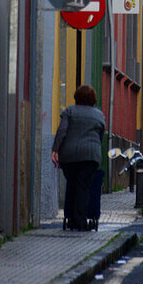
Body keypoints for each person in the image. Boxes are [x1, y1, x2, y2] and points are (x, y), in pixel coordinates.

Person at [52, 85, 106, 231]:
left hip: (69, 156)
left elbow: (62, 131)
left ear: (77, 97)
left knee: (72, 184)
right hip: (90, 156)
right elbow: (101, 135)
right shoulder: (99, 115)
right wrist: (95, 147)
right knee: (84, 187)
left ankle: (70, 218)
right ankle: (80, 221)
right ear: (93, 99)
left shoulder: (69, 111)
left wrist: (55, 149)